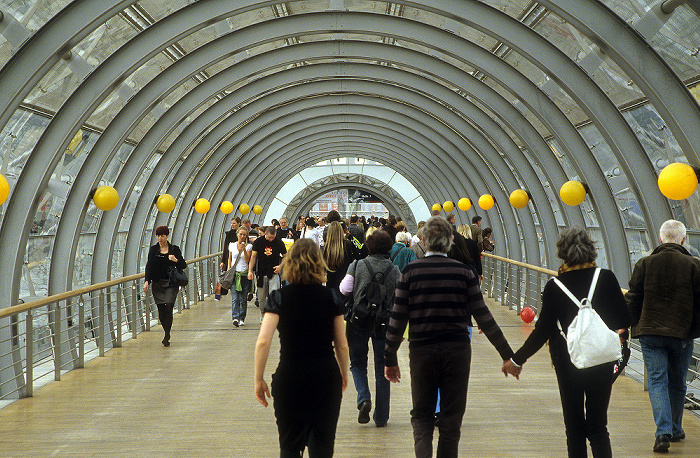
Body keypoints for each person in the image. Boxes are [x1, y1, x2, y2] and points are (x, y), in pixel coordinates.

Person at [385, 216, 515, 457]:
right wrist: (508, 356)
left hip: (422, 350)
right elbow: (484, 316)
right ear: (451, 240)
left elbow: (398, 317)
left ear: (423, 240)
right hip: (457, 351)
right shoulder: (464, 272)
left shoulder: (411, 272)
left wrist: (389, 358)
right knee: (451, 419)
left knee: (422, 416)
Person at [503, 226, 631, 457]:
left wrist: (516, 359)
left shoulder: (555, 286)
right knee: (598, 426)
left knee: (574, 427)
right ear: (592, 250)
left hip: (567, 360)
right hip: (601, 359)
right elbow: (624, 319)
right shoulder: (606, 277)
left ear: (562, 253)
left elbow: (542, 331)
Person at [254, 238, 350, 458]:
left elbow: (263, 341)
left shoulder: (278, 298)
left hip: (290, 376)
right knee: (322, 446)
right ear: (319, 263)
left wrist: (258, 379)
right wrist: (343, 373)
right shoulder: (332, 297)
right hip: (325, 376)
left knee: (289, 445)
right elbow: (341, 344)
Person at [625, 219, 700, 453]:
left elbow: (633, 297)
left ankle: (663, 432)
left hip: (650, 332)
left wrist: (626, 325)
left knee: (657, 381)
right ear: (683, 239)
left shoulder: (645, 263)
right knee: (677, 383)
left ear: (660, 239)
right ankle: (675, 428)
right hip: (682, 333)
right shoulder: (694, 265)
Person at [340, 230, 400, 427]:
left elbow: (345, 289)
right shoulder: (394, 269)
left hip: (359, 319)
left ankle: (364, 398)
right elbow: (400, 296)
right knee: (383, 367)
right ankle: (381, 417)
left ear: (369, 246)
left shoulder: (357, 265)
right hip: (384, 322)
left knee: (357, 363)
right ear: (389, 247)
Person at [143, 226, 187, 347]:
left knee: (169, 306)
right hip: (157, 283)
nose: (160, 238)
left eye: (162, 235)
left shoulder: (174, 249)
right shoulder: (153, 250)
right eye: (158, 236)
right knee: (161, 309)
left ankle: (167, 334)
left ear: (167, 236)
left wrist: (175, 260)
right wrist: (147, 281)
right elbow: (149, 266)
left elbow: (183, 265)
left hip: (171, 283)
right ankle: (166, 332)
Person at [248, 226, 287, 316]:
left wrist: (280, 266)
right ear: (265, 233)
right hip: (261, 273)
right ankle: (263, 314)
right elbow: (253, 257)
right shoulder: (258, 242)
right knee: (261, 298)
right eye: (269, 237)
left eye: (273, 237)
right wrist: (250, 270)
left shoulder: (278, 242)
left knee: (273, 295)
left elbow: (285, 256)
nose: (271, 239)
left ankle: (271, 315)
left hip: (274, 273)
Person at [324, 221, 361, 291]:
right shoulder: (348, 244)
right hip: (345, 282)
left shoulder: (327, 247)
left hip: (331, 284)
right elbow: (357, 256)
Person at [228, 226, 252, 327]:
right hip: (234, 274)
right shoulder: (232, 245)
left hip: (244, 274)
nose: (242, 236)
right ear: (237, 234)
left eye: (244, 235)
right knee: (235, 297)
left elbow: (247, 260)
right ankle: (235, 317)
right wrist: (229, 269)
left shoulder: (249, 246)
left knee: (243, 298)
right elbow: (229, 258)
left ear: (246, 236)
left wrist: (244, 250)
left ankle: (242, 318)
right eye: (240, 234)